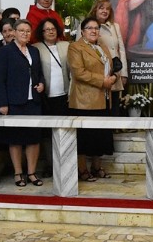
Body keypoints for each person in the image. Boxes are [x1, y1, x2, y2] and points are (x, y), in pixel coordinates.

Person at [0, 19, 45, 187]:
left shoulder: (34, 51)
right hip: (14, 101)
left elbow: (39, 73)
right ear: (14, 33)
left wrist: (41, 83)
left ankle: (31, 172)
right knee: (15, 139)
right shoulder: (5, 51)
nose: (25, 33)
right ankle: (18, 173)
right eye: (21, 30)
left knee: (33, 138)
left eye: (28, 31)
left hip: (33, 101)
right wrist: (3, 103)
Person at [67, 17, 117, 182]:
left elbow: (110, 69)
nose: (94, 31)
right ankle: (82, 170)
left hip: (103, 98)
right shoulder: (75, 47)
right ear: (82, 31)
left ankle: (97, 167)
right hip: (84, 101)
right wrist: (103, 81)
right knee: (84, 138)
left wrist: (114, 78)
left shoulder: (102, 47)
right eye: (89, 28)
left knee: (100, 137)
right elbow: (78, 73)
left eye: (96, 28)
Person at [33, 17, 70, 178]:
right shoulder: (35, 48)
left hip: (64, 95)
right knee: (48, 134)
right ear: (41, 32)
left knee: (64, 131)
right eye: (46, 29)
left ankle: (65, 165)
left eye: (53, 28)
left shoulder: (66, 46)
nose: (50, 31)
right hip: (46, 97)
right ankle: (50, 164)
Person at [87, 0, 128, 117]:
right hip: (97, 75)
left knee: (114, 106)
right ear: (95, 10)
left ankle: (112, 133)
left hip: (114, 74)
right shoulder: (86, 26)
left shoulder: (115, 26)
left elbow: (121, 51)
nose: (105, 11)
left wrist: (123, 73)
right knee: (101, 110)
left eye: (108, 9)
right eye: (101, 8)